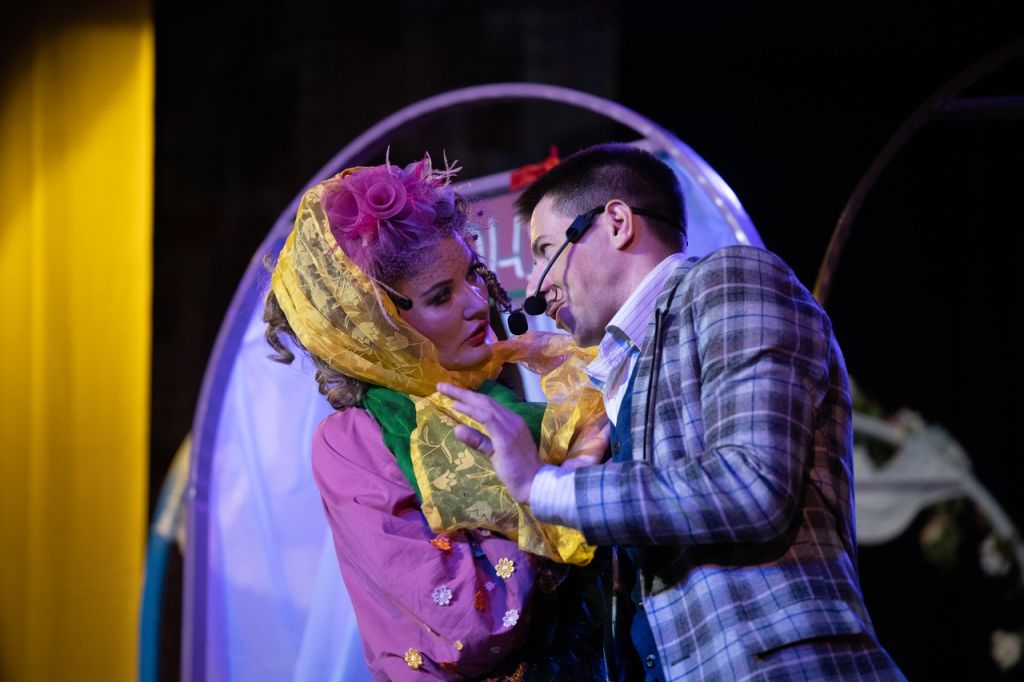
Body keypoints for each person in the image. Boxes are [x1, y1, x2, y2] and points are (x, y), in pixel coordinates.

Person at [439, 143, 906, 680]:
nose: (537, 286)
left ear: (617, 223)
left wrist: (543, 485)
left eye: (546, 251)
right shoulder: (615, 373)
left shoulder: (729, 279)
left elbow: (751, 484)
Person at [263, 155, 604, 680]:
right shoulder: (355, 440)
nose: (477, 304)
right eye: (441, 296)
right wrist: (558, 492)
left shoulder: (503, 397)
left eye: (472, 277)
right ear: (380, 329)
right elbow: (466, 618)